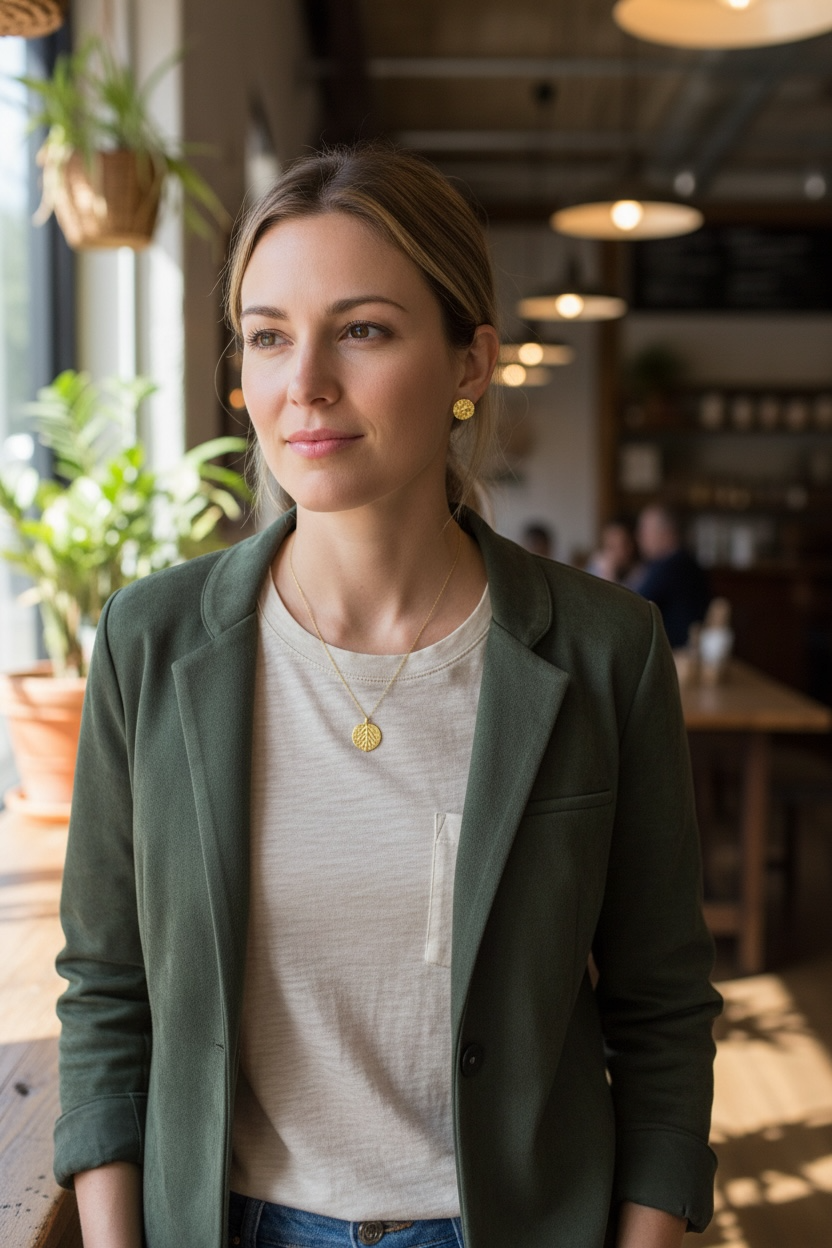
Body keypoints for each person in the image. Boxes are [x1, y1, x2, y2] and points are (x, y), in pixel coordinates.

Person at [54, 145, 721, 1248]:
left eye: (360, 330)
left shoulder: (608, 651)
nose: (303, 382)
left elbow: (661, 1010)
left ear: (471, 363)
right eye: (268, 336)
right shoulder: (151, 639)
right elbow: (108, 986)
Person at [635, 504, 711, 648]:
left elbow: (633, 605)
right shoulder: (683, 561)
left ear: (666, 533)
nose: (639, 537)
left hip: (675, 656)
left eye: (645, 530)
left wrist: (607, 576)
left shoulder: (671, 566)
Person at [587, 517, 644, 590]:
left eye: (619, 546)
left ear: (631, 546)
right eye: (610, 546)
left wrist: (610, 575)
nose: (612, 553)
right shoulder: (597, 565)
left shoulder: (640, 573)